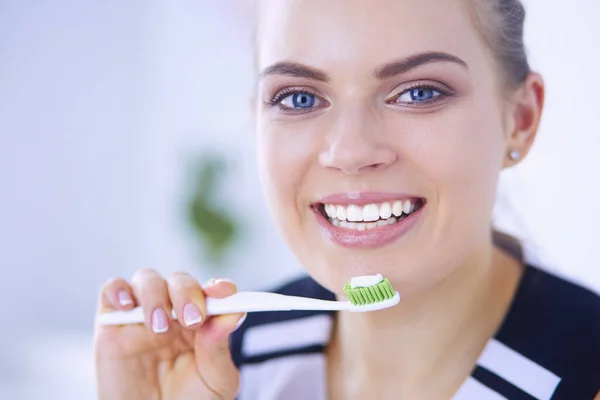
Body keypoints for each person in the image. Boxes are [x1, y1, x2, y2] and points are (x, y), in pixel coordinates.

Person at [94, 0, 600, 399]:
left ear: (521, 119)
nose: (350, 151)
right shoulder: (230, 360)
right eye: (299, 98)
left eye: (419, 92)